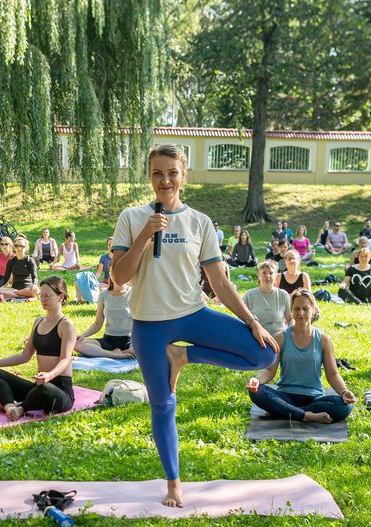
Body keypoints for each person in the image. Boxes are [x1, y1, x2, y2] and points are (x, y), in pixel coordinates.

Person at [110, 143, 278, 507]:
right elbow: (119, 278)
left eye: (172, 173)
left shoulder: (200, 222)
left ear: (183, 175)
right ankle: (173, 483)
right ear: (149, 176)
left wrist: (251, 321)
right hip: (149, 325)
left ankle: (184, 357)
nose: (165, 180)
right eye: (157, 173)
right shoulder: (131, 217)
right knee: (163, 403)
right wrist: (144, 236)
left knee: (263, 354)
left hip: (192, 315)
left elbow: (219, 283)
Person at [247, 289, 356, 423]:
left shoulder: (323, 340)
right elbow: (270, 371)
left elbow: (333, 374)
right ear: (291, 311)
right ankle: (305, 415)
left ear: (314, 310)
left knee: (345, 406)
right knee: (258, 391)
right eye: (297, 309)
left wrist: (344, 392)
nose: (301, 313)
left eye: (305, 309)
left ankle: (286, 411)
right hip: (285, 395)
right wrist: (256, 381)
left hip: (314, 398)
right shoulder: (280, 337)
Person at [0, 276, 77, 420]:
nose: (43, 299)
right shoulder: (38, 322)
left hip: (59, 392)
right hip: (38, 387)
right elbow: (25, 356)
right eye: (41, 296)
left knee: (44, 389)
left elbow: (65, 359)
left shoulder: (66, 325)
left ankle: (21, 408)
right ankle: (10, 407)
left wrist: (49, 376)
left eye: (48, 296)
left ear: (60, 296)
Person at [74, 276, 133, 359]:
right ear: (110, 274)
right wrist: (83, 335)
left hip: (129, 340)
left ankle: (119, 353)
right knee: (75, 343)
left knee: (146, 347)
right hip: (108, 340)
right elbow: (98, 323)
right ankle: (115, 354)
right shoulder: (104, 294)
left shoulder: (133, 293)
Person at [243, 260, 293, 336]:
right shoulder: (249, 295)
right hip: (256, 337)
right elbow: (241, 319)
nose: (268, 276)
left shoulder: (283, 295)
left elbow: (290, 319)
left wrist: (291, 333)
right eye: (264, 273)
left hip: (279, 337)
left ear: (276, 276)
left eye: (271, 273)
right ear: (258, 275)